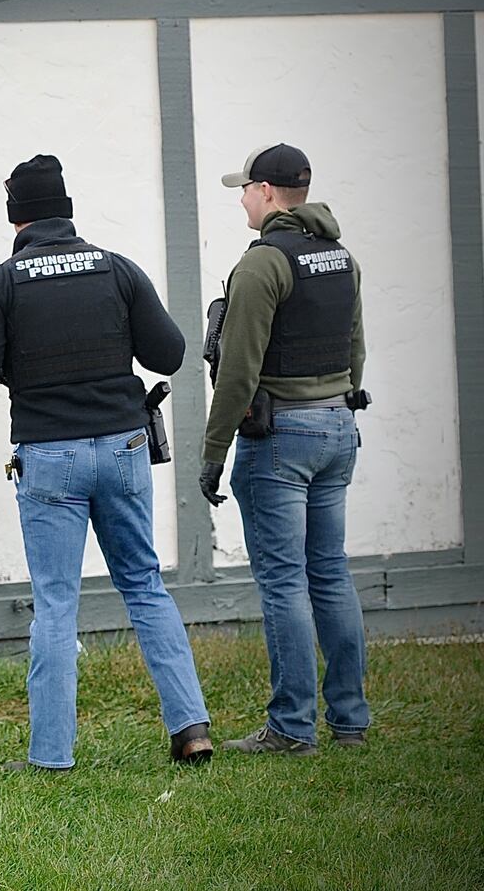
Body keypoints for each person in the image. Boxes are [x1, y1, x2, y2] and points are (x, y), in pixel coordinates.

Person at [0, 155, 211, 770]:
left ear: (16, 218)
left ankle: (51, 754)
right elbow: (169, 354)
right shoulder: (116, 269)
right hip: (123, 447)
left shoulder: (4, 281)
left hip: (49, 457)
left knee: (57, 602)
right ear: (67, 210)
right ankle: (192, 728)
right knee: (144, 585)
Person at [201, 144, 369, 756]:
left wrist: (212, 451)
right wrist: (343, 408)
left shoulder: (263, 263)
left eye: (244, 188)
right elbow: (355, 347)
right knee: (330, 572)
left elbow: (239, 371)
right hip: (336, 427)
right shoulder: (340, 257)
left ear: (267, 192)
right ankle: (349, 721)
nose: (241, 198)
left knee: (283, 582)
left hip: (282, 439)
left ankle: (292, 727)